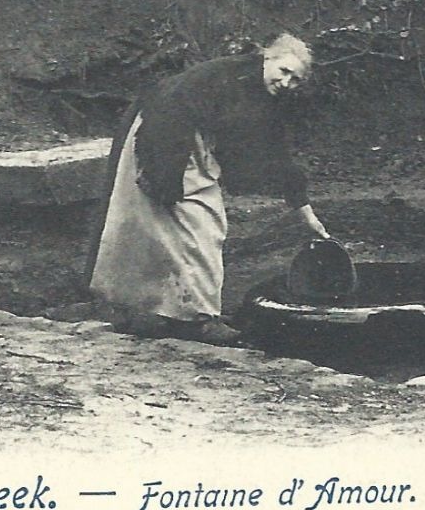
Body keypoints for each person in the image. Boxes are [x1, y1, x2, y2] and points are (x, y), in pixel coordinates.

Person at [85, 33, 327, 345]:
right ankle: (196, 320)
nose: (286, 83)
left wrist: (304, 212)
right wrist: (162, 174)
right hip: (162, 137)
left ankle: (180, 312)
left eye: (295, 80)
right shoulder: (225, 76)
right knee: (184, 224)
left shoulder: (265, 98)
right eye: (284, 72)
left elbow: (277, 154)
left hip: (192, 143)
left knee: (197, 226)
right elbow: (169, 107)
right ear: (267, 59)